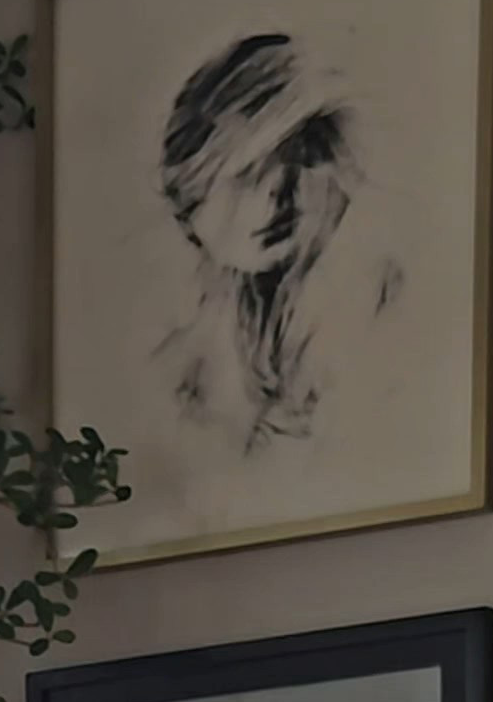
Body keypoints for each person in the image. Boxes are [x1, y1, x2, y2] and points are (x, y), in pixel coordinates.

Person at [153, 32, 403, 457]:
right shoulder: (181, 356)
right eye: (248, 173)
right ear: (193, 184)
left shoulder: (362, 308)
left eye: (301, 160)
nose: (278, 197)